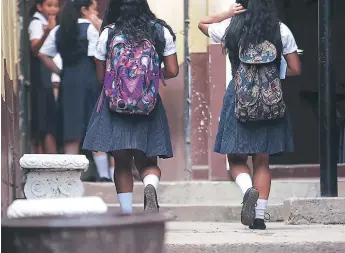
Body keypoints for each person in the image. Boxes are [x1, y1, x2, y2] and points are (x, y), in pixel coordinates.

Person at [199, 0, 301, 229]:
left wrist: (226, 13)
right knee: (262, 160)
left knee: (236, 159)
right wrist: (272, 74)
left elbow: (201, 23)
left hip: (239, 99)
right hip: (270, 101)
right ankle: (258, 218)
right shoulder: (280, 29)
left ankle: (248, 190)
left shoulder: (231, 28)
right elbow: (296, 68)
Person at [82, 0, 179, 213]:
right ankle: (150, 186)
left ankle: (127, 213)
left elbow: (101, 76)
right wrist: (149, 77)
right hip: (148, 106)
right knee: (148, 161)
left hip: (115, 106)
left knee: (122, 162)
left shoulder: (108, 33)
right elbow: (172, 70)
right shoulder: (160, 30)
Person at [38, 0, 113, 182]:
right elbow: (97, 57)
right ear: (84, 10)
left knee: (71, 128)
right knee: (95, 126)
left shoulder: (58, 30)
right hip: (90, 80)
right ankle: (103, 175)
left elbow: (43, 54)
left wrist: (60, 72)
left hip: (68, 81)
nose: (95, 11)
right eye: (93, 8)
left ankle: (70, 177)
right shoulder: (90, 29)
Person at [28, 0, 60, 154]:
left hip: (49, 78)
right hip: (41, 79)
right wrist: (47, 31)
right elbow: (35, 50)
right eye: (49, 5)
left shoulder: (51, 22)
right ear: (40, 6)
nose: (53, 9)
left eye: (56, 5)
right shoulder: (36, 24)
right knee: (46, 124)